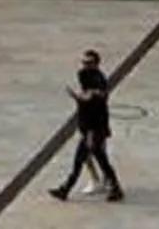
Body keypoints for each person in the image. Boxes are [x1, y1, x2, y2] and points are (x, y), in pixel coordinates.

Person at [46, 47, 124, 203]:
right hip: (87, 126)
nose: (84, 65)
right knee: (87, 160)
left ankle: (68, 189)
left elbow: (94, 100)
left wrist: (82, 97)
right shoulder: (83, 75)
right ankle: (67, 189)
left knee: (96, 160)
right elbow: (85, 98)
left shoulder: (100, 81)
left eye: (88, 62)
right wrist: (80, 98)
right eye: (83, 62)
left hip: (95, 128)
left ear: (96, 64)